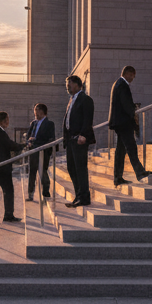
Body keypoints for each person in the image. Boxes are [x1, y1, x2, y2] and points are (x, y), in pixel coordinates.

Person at [109, 65, 150, 186]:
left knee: (120, 151)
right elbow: (126, 104)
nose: (133, 78)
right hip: (123, 122)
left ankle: (118, 177)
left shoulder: (118, 83)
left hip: (119, 122)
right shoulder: (122, 84)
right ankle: (140, 172)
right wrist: (133, 114)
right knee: (131, 147)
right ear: (127, 73)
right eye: (132, 75)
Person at [0, 111, 25, 227]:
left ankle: (8, 215)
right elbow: (9, 144)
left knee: (9, 191)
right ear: (3, 121)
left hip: (3, 168)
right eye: (7, 119)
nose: (9, 121)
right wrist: (23, 145)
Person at [63, 75, 96, 207]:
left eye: (69, 84)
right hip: (71, 140)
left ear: (77, 84)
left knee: (80, 169)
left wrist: (83, 135)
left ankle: (84, 197)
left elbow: (88, 119)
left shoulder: (85, 99)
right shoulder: (72, 100)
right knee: (71, 168)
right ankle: (78, 195)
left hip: (79, 139)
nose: (67, 87)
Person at [25, 103, 56, 201]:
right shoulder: (33, 123)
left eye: (36, 110)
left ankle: (46, 193)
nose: (35, 113)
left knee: (43, 172)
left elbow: (51, 139)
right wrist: (29, 141)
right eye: (35, 110)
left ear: (42, 111)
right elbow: (27, 136)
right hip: (33, 152)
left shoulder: (49, 124)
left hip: (43, 152)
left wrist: (37, 141)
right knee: (32, 173)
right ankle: (30, 194)